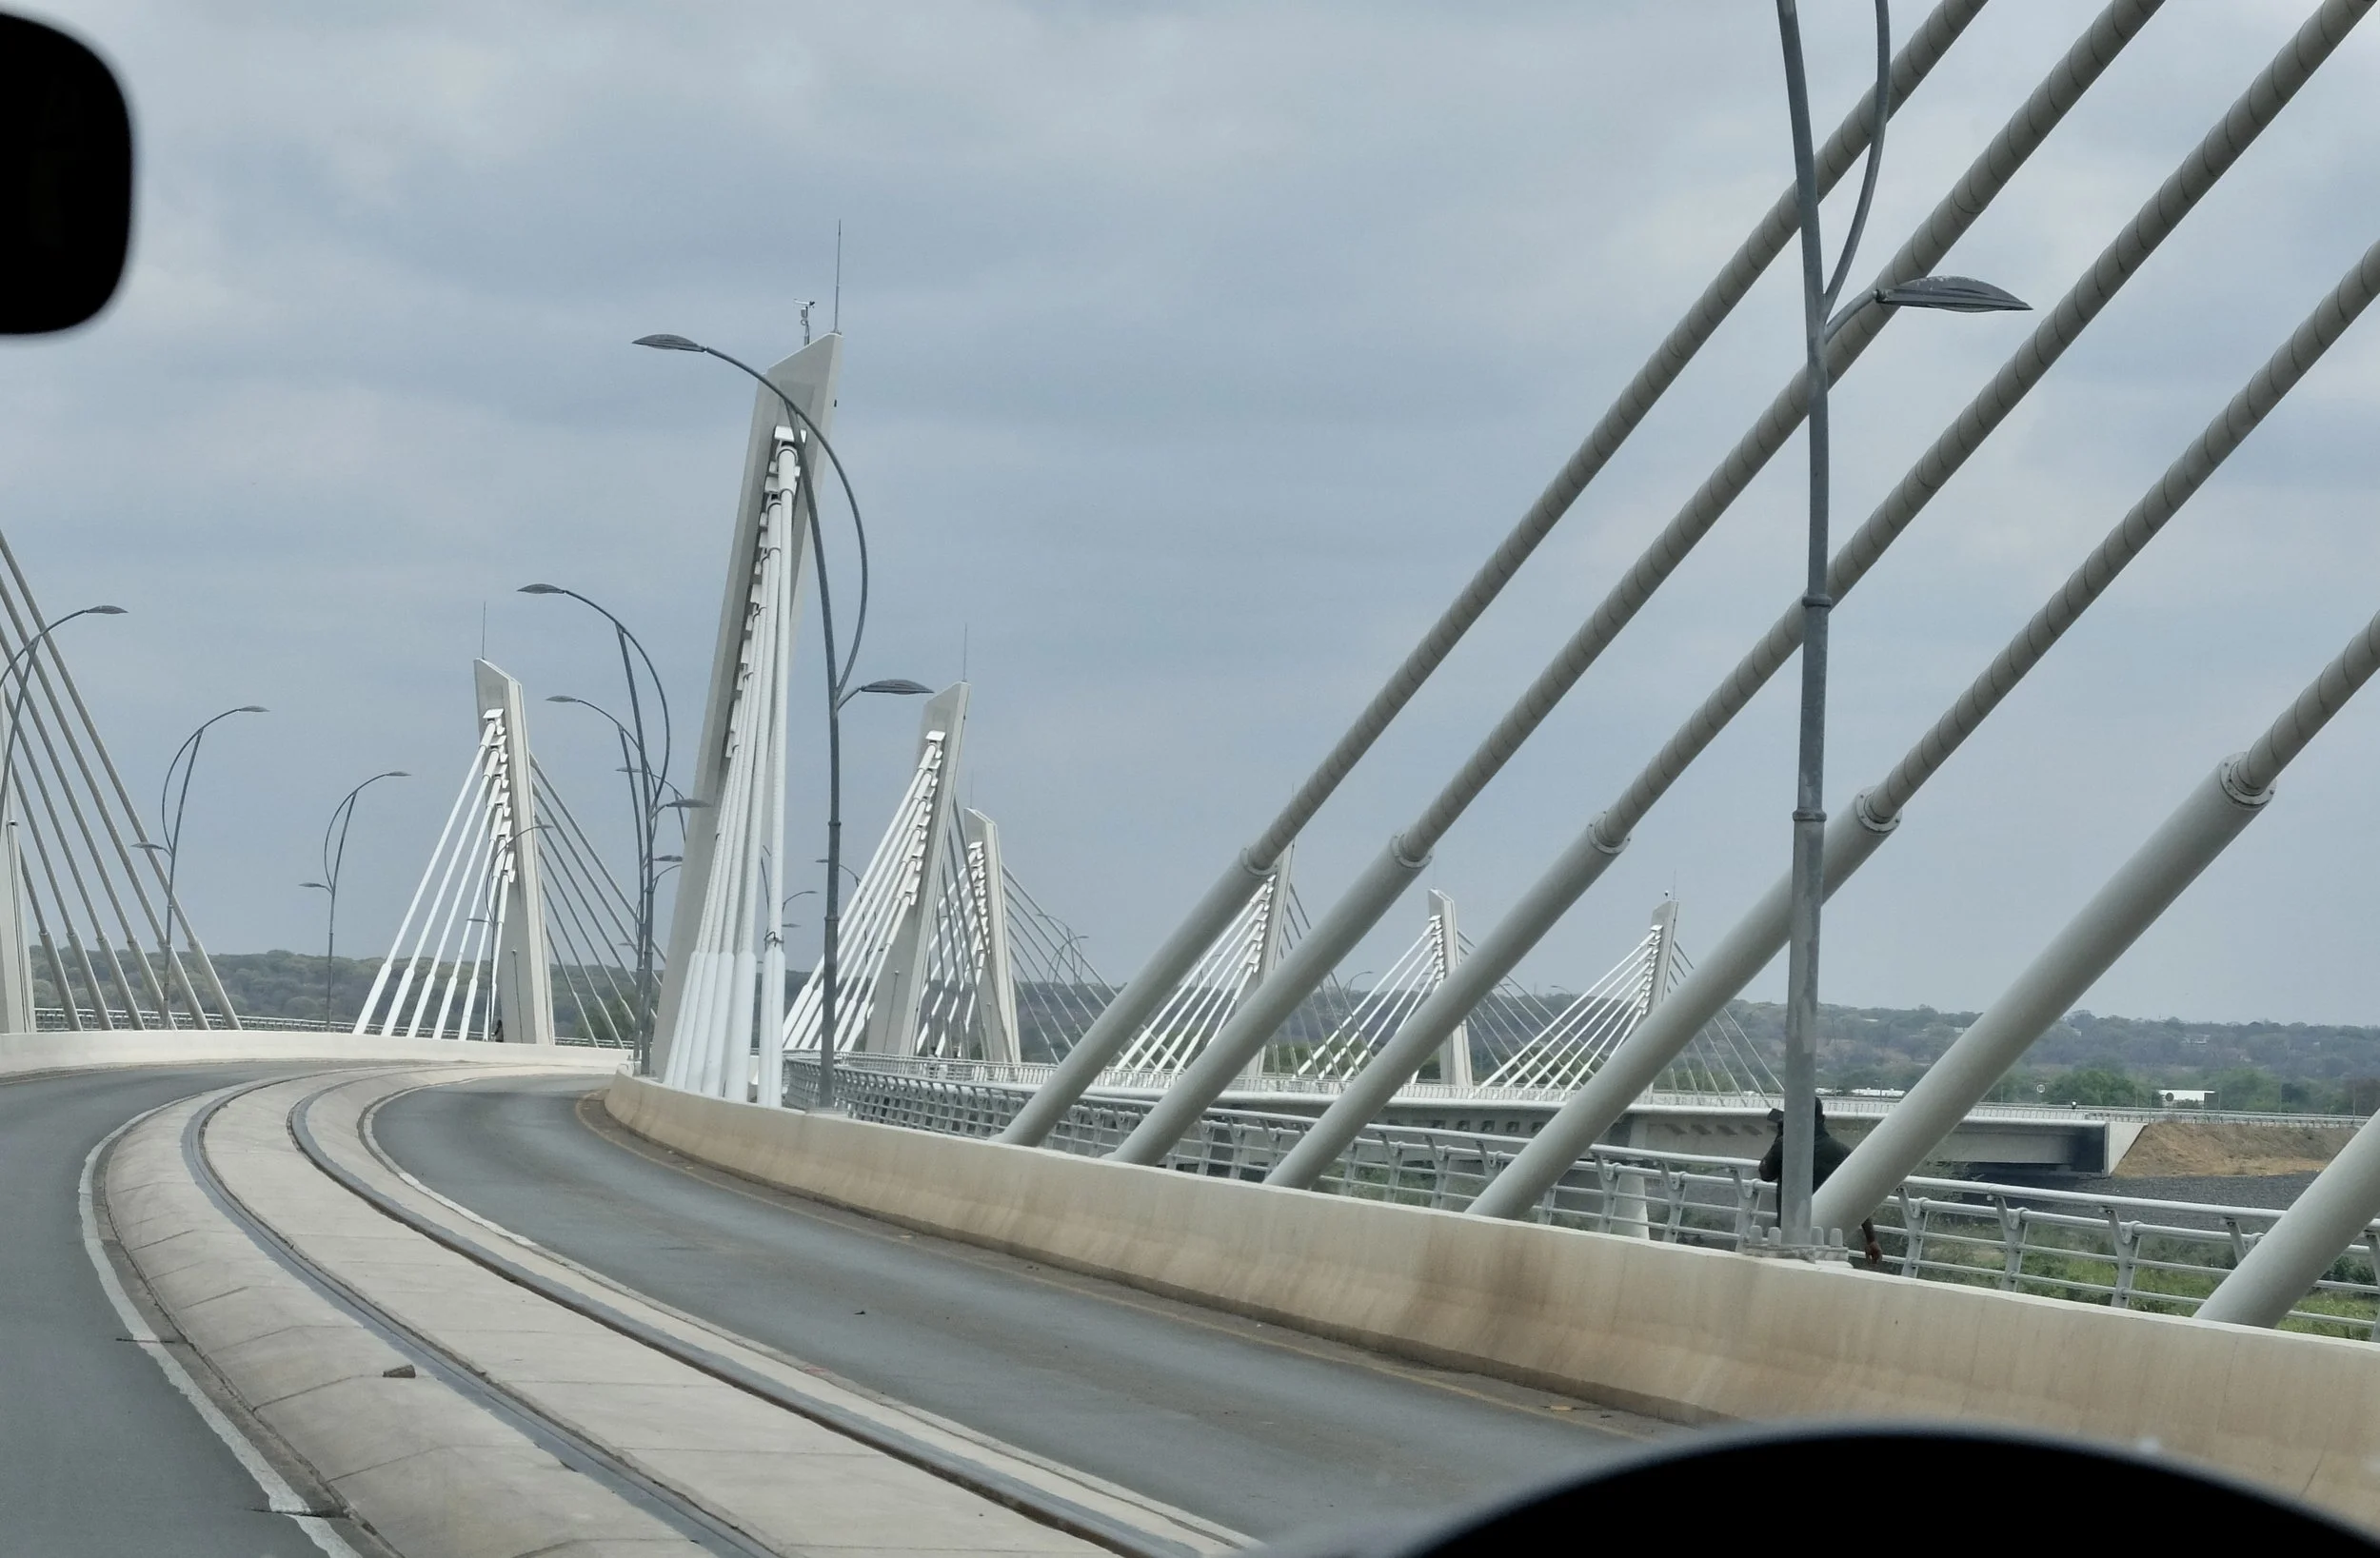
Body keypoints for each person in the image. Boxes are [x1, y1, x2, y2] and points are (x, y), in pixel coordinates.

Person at [1757, 1097, 1883, 1269]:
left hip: (1788, 1236)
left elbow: (1765, 1173)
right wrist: (1871, 1238)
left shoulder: (1785, 1147)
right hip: (1831, 1242)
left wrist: (1781, 1135)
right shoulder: (1842, 1152)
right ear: (1822, 1119)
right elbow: (1857, 1195)